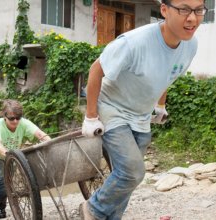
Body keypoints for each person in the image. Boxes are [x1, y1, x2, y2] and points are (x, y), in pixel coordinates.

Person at [80, 0, 206, 219]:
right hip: (112, 107)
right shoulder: (134, 42)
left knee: (129, 178)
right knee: (133, 172)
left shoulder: (190, 45)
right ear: (164, 10)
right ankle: (93, 209)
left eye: (198, 10)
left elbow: (168, 75)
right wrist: (91, 116)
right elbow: (95, 70)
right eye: (184, 9)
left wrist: (160, 105)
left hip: (140, 115)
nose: (192, 18)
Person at [0, 99, 51, 219]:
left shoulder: (24, 123)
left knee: (10, 180)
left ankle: (12, 196)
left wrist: (51, 143)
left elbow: (40, 134)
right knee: (3, 180)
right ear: (4, 116)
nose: (15, 121)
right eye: (11, 118)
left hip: (13, 155)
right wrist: (8, 154)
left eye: (18, 117)